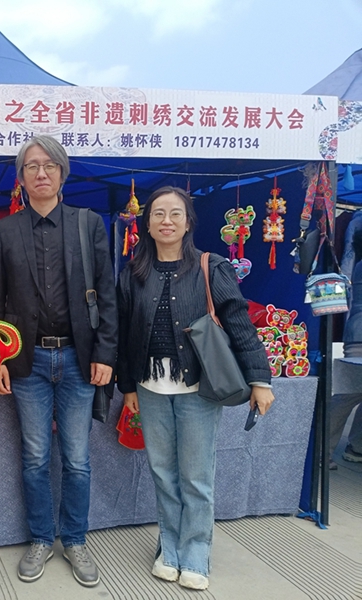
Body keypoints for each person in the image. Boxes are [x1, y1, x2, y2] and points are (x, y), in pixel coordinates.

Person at [116, 186, 274, 591]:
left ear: (188, 223)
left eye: (175, 213)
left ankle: (196, 552)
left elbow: (238, 321)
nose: (166, 221)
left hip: (198, 389)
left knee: (196, 476)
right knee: (162, 473)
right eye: (158, 214)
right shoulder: (133, 273)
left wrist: (260, 379)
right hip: (150, 387)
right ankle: (169, 548)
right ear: (147, 223)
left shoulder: (211, 266)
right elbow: (124, 334)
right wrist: (128, 385)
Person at [0, 135, 117, 587]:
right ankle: (42, 538)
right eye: (31, 166)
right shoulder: (6, 231)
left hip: (80, 360)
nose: (40, 173)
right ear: (21, 178)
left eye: (49, 165)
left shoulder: (88, 223)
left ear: (63, 172)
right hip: (28, 362)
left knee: (77, 459)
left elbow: (107, 293)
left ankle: (76, 540)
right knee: (36, 457)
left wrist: (105, 353)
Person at [329, 227, 362, 468]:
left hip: (356, 334)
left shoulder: (359, 264)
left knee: (349, 394)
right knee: (348, 395)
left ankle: (354, 447)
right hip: (359, 338)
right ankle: (322, 449)